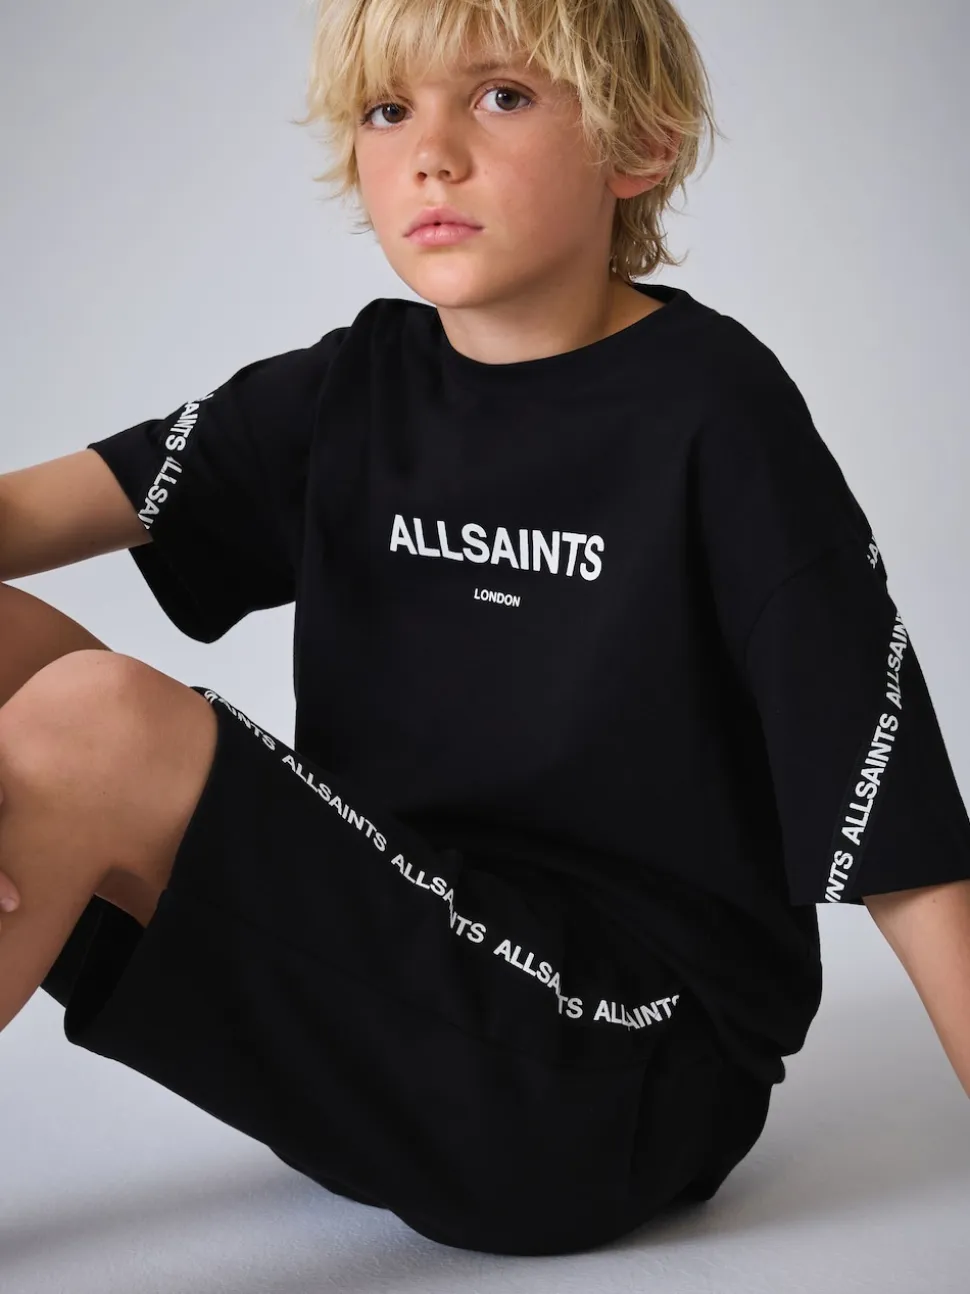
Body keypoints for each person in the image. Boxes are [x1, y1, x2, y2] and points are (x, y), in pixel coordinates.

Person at [1, 0, 968, 1260]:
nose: (431, 155)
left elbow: (894, 821)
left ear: (639, 143)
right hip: (397, 994)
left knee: (95, 724)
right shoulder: (353, 386)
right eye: (387, 110)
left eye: (501, 97)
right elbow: (24, 514)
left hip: (618, 1068)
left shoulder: (715, 414)